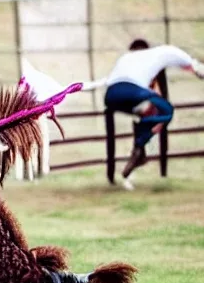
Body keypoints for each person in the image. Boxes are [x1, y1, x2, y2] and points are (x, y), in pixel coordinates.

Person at [83, 39, 204, 190]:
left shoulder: (125, 58)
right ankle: (139, 146)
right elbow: (175, 54)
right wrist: (197, 68)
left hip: (111, 96)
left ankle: (140, 149)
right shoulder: (155, 53)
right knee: (167, 111)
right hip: (134, 92)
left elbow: (106, 81)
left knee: (146, 111)